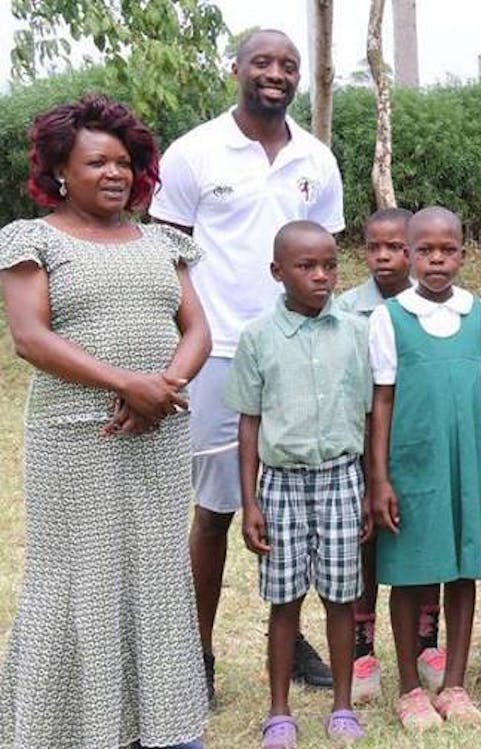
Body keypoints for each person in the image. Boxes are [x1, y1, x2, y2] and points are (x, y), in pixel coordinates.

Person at [0, 94, 209, 749]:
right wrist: (128, 384)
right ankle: (68, 730)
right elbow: (29, 337)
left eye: (124, 162)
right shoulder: (32, 238)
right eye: (97, 162)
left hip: (160, 434)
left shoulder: (163, 241)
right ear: (62, 168)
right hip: (76, 438)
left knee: (154, 572)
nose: (115, 173)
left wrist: (163, 388)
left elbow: (199, 328)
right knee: (78, 577)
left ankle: (165, 730)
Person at [150, 28, 346, 703]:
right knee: (214, 510)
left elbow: (324, 256)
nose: (276, 74)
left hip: (296, 355)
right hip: (214, 352)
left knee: (300, 500)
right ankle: (195, 655)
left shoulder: (316, 158)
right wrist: (182, 341)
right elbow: (165, 256)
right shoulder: (194, 153)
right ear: (235, 68)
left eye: (288, 65)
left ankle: (288, 645)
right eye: (262, 62)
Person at [367, 207, 481, 732]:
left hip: (467, 462)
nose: (435, 260)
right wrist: (380, 478)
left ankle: (453, 683)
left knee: (462, 569)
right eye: (424, 250)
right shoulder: (391, 318)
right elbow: (381, 402)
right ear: (408, 254)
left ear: (462, 255)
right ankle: (409, 687)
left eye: (446, 250)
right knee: (408, 575)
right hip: (412, 464)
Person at [225, 221, 370, 747]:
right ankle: (279, 710)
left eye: (329, 265)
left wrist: (373, 487)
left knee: (340, 597)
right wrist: (250, 501)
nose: (321, 276)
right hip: (281, 484)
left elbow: (373, 415)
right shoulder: (259, 337)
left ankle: (343, 707)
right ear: (277, 272)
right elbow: (249, 423)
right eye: (306, 267)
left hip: (341, 479)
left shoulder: (356, 332)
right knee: (284, 601)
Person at [334, 207, 441, 705]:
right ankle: (362, 649)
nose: (383, 256)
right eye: (374, 246)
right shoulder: (345, 309)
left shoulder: (441, 309)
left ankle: (427, 644)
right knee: (367, 544)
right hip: (365, 445)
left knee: (424, 539)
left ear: (415, 249)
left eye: (396, 246)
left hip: (422, 443)